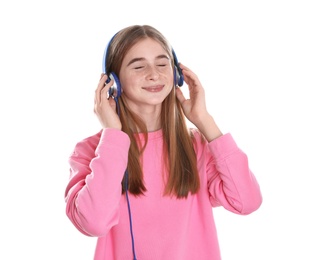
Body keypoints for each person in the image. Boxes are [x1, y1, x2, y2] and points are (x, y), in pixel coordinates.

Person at [64, 24, 262, 260]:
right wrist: (113, 136)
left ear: (177, 75)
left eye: (161, 64)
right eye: (138, 66)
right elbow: (94, 223)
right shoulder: (92, 151)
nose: (154, 74)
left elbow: (247, 201)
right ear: (113, 83)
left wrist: (204, 121)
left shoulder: (194, 146)